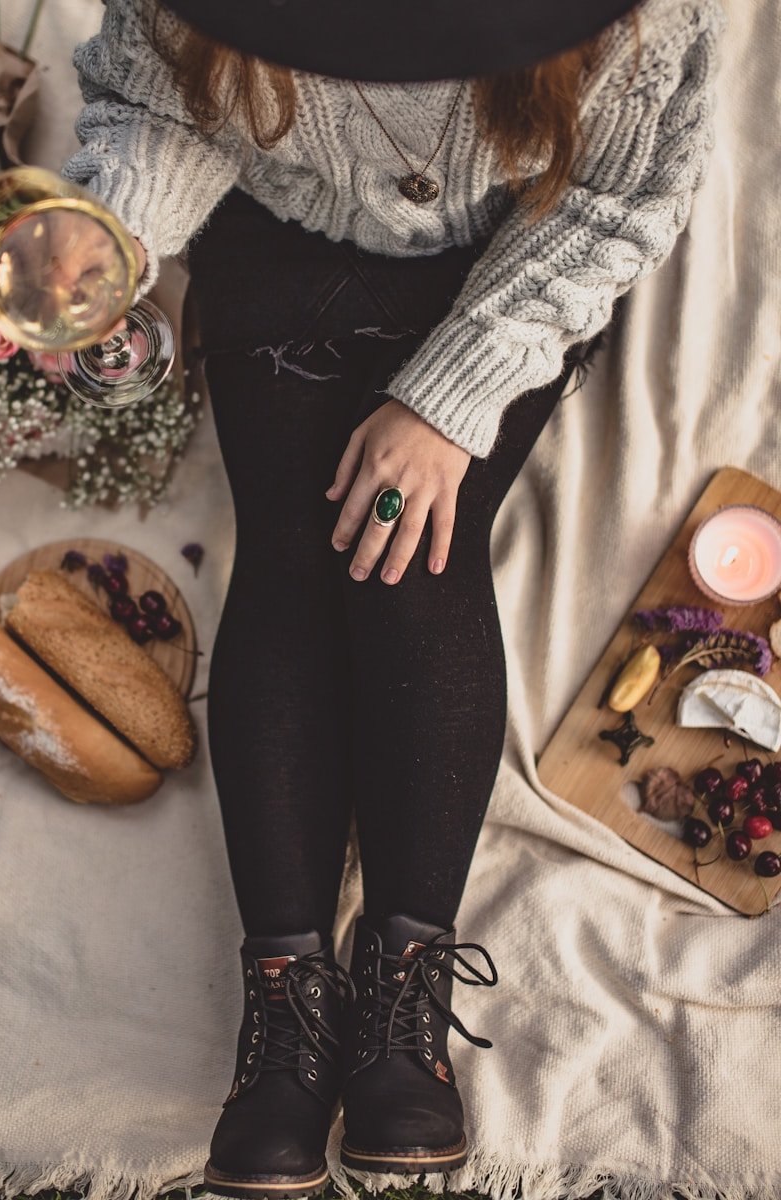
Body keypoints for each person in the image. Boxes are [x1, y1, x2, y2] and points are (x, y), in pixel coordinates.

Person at [61, 0, 725, 1195]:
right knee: (292, 550)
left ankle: (401, 988)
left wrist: (449, 400)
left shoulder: (637, 18)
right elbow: (160, 103)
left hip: (511, 258)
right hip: (278, 231)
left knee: (408, 548)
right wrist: (113, 226)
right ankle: (286, 1009)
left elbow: (619, 197)